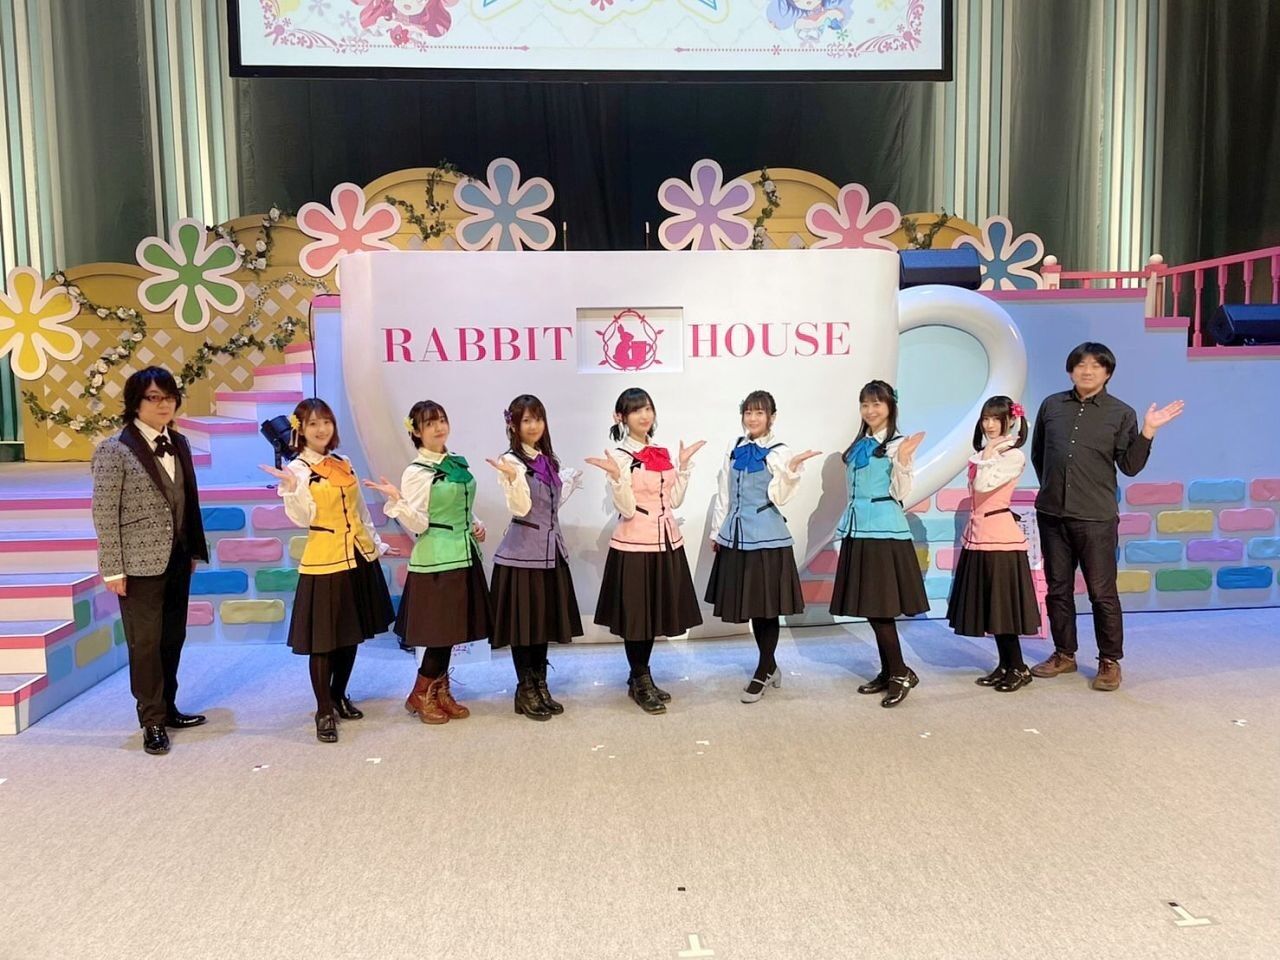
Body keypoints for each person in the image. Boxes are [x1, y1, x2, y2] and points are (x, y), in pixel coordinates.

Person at [1029, 342, 1184, 690]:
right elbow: (1039, 455)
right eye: (1080, 365)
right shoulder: (1051, 405)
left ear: (1108, 373)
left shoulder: (1121, 413)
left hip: (1096, 517)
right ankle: (1064, 654)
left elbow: (1130, 466)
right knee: (1057, 589)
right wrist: (1053, 489)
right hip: (1052, 513)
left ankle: (1109, 661)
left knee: (1102, 592)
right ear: (1070, 370)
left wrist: (1149, 431)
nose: (1087, 371)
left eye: (1096, 366)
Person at [259, 398, 396, 743]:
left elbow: (360, 512)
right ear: (300, 430)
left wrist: (376, 545)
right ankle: (323, 709)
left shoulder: (343, 462)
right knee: (323, 641)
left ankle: (338, 695)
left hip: (357, 556)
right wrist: (292, 489)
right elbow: (302, 518)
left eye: (326, 422)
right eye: (313, 424)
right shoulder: (298, 470)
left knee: (350, 633)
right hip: (324, 561)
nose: (321, 429)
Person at [90, 366, 209, 755]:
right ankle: (152, 720)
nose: (163, 404)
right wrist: (112, 566)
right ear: (135, 403)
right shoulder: (114, 449)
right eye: (154, 397)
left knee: (173, 636)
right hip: (137, 562)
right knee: (145, 643)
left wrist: (192, 549)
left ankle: (168, 706)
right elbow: (104, 512)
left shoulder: (179, 442)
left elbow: (185, 500)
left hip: (177, 557)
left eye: (169, 397)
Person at [364, 400, 489, 724]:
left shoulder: (454, 461)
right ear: (416, 432)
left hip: (463, 553)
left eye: (441, 420)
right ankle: (420, 694)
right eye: (429, 423)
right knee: (439, 633)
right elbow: (419, 523)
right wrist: (397, 500)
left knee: (452, 630)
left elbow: (460, 504)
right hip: (436, 559)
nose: (438, 427)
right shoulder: (417, 472)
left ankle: (440, 691)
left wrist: (475, 523)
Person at [585, 388, 705, 714]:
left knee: (652, 615)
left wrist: (684, 467)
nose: (644, 415)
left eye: (648, 408)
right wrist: (616, 478)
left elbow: (674, 500)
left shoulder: (660, 452)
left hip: (666, 541)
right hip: (634, 543)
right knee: (638, 617)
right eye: (636, 410)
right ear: (621, 417)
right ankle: (640, 679)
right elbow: (626, 509)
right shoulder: (620, 456)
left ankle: (640, 675)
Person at [705, 390, 818, 703]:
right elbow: (724, 493)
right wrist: (717, 531)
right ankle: (769, 666)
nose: (753, 418)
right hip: (736, 536)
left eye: (759, 412)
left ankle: (765, 668)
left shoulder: (780, 452)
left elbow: (780, 498)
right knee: (753, 607)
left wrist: (791, 471)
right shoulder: (735, 446)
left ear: (772, 417)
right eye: (748, 412)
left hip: (767, 537)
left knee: (766, 609)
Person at [829, 380, 928, 708]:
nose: (870, 410)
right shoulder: (861, 444)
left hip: (884, 531)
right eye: (865, 404)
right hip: (859, 529)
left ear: (890, 407)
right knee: (872, 608)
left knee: (880, 607)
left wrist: (903, 460)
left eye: (877, 404)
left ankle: (899, 673)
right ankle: (890, 670)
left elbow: (901, 493)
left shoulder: (899, 444)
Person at [486, 395, 583, 721]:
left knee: (541, 624)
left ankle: (540, 685)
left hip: (551, 552)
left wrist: (568, 483)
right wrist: (513, 479)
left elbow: (550, 508)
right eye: (526, 420)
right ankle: (525, 689)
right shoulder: (510, 462)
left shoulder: (547, 460)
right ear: (513, 425)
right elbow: (521, 507)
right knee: (523, 627)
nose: (533, 426)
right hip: (521, 556)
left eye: (538, 419)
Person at [945, 396, 1041, 692]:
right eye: (986, 418)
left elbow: (984, 485)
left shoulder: (1012, 456)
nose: (989, 425)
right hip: (979, 537)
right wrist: (986, 453)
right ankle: (1005, 664)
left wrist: (987, 453)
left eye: (996, 419)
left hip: (1001, 539)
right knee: (991, 606)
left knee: (1003, 608)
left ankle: (1019, 667)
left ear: (1009, 421)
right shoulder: (984, 454)